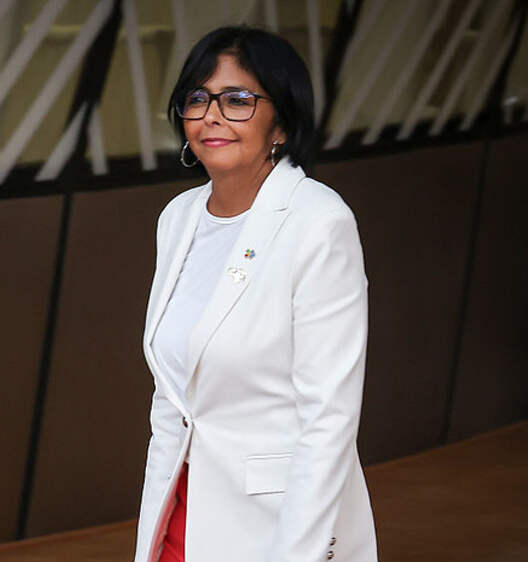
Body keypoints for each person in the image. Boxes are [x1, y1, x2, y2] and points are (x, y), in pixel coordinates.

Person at [134, 26, 377, 562]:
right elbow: (171, 400)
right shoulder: (178, 218)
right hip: (180, 514)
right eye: (197, 99)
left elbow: (329, 419)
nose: (211, 115)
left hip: (275, 525)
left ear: (282, 123)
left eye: (238, 100)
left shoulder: (318, 222)